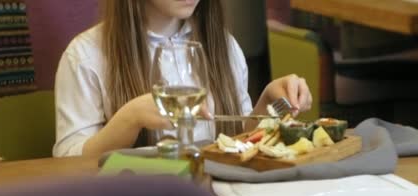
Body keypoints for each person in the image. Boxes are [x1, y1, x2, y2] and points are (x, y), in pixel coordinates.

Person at [53, 0, 312, 159]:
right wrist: (129, 119)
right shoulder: (85, 56)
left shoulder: (225, 46)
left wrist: (269, 106)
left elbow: (234, 143)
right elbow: (67, 162)